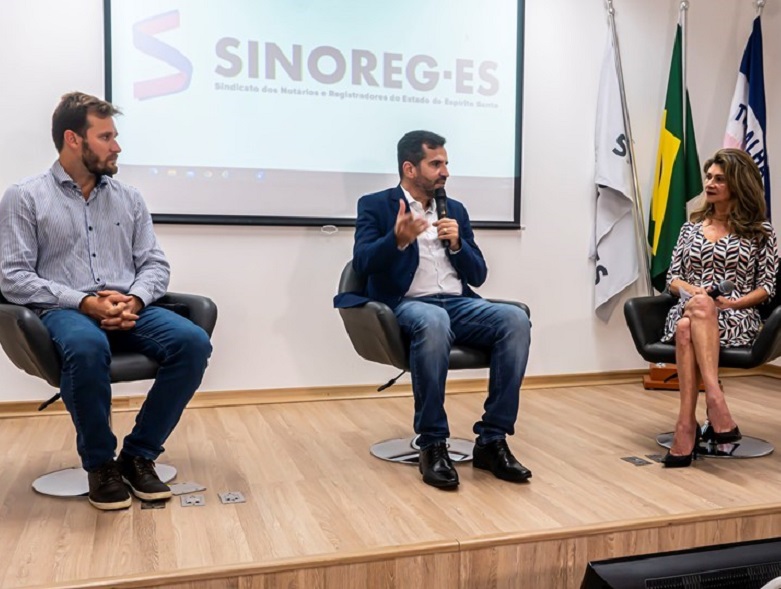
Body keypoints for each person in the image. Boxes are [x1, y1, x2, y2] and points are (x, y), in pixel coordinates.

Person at [0, 92, 213, 509]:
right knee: (85, 346)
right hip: (64, 310)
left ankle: (138, 455)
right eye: (106, 137)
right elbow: (13, 277)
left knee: (192, 343)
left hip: (130, 308)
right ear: (73, 139)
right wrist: (83, 302)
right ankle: (100, 465)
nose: (117, 147)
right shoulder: (24, 197)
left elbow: (154, 264)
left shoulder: (129, 198)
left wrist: (135, 299)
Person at [336, 130, 532, 489]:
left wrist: (458, 244)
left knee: (515, 319)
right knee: (434, 318)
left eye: (446, 163)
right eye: (436, 164)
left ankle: (492, 440)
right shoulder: (376, 205)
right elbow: (362, 263)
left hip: (458, 303)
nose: (445, 172)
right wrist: (396, 239)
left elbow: (478, 275)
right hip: (407, 304)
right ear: (410, 168)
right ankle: (433, 443)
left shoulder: (455, 210)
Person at [660, 148, 778, 468]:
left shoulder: (760, 231)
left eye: (719, 179)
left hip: (736, 315)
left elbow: (767, 286)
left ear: (738, 183)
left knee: (687, 327)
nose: (710, 184)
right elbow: (672, 279)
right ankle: (716, 402)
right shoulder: (690, 228)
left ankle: (685, 427)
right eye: (709, 177)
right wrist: (694, 291)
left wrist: (734, 302)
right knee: (696, 310)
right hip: (690, 306)